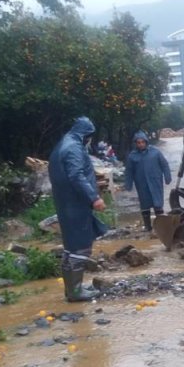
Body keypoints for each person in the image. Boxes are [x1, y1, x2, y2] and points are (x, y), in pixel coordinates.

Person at [48, 116, 107, 302]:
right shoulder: (73, 148)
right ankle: (75, 292)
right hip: (75, 203)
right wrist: (94, 197)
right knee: (80, 247)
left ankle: (73, 289)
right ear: (86, 135)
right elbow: (76, 175)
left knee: (71, 247)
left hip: (66, 202)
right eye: (90, 136)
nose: (90, 140)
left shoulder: (62, 144)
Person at [123, 130, 172, 231]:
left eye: (142, 142)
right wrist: (128, 184)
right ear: (136, 143)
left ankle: (161, 227)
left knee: (157, 203)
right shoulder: (132, 156)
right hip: (141, 183)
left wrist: (167, 177)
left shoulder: (155, 152)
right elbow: (129, 171)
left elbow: (164, 164)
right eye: (138, 143)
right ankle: (147, 226)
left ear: (146, 142)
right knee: (145, 204)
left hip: (155, 181)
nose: (141, 144)